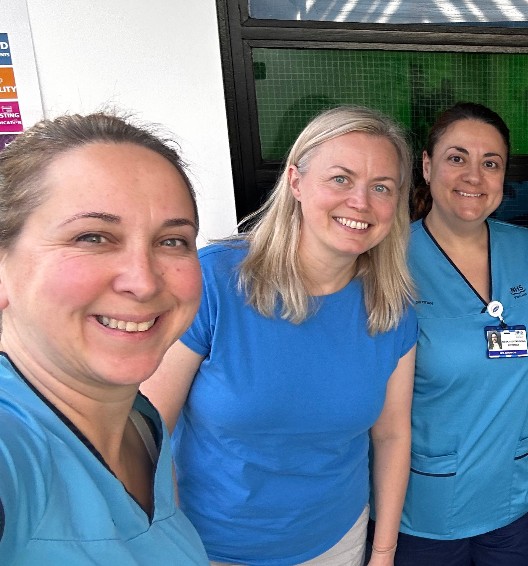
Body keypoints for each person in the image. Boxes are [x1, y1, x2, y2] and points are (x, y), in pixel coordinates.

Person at [141, 105, 417, 566]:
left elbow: (391, 435)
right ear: (295, 182)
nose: (360, 202)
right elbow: (151, 431)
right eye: (340, 179)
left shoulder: (390, 306)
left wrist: (383, 552)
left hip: (336, 544)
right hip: (210, 549)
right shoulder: (216, 282)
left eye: (381, 187)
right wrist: (167, 544)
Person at [0, 112, 207, 563]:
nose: (144, 282)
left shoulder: (140, 421)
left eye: (172, 241)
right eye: (92, 236)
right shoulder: (13, 448)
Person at [395, 102, 528, 566]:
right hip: (424, 504)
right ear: (426, 166)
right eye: (456, 157)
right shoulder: (390, 261)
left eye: (491, 163)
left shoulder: (526, 249)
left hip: (518, 493)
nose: (474, 176)